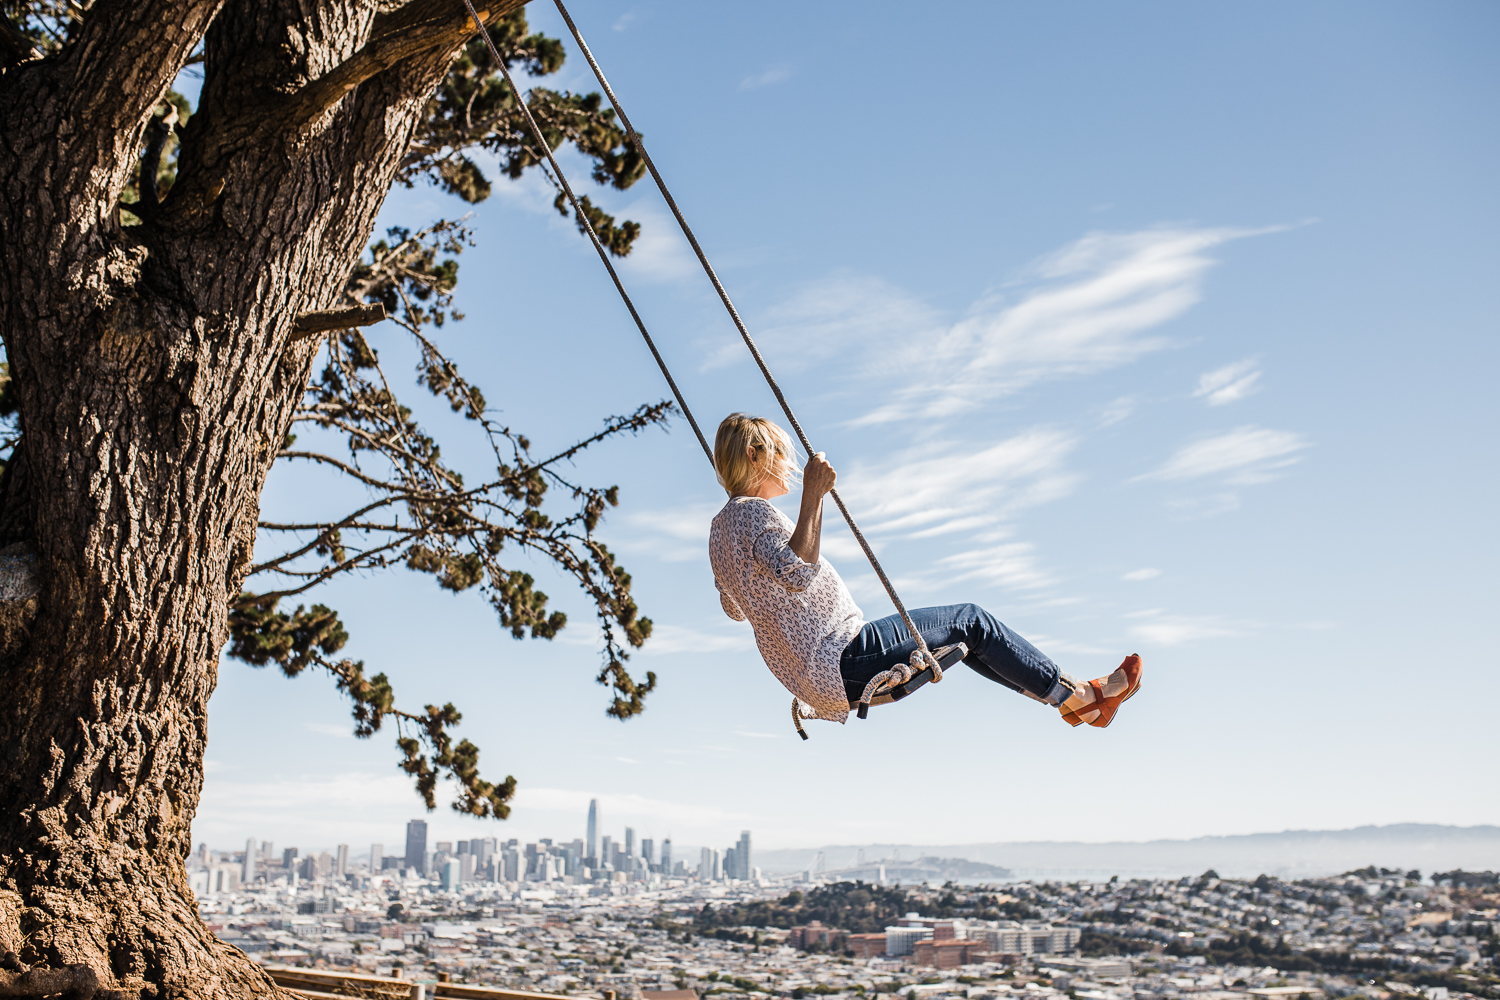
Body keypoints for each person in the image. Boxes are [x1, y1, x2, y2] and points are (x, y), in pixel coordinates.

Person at [707, 413, 1142, 728]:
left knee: (968, 638)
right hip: (841, 656)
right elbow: (798, 573)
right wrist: (814, 496)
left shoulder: (719, 531)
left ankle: (1074, 700)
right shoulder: (753, 514)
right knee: (970, 619)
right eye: (781, 452)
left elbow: (735, 609)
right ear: (754, 454)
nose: (791, 464)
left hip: (815, 679)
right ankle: (1084, 698)